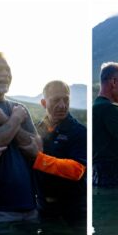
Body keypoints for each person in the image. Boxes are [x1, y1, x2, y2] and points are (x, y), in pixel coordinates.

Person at [30, 80, 86, 223]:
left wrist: (38, 159)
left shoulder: (79, 132)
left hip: (73, 213)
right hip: (42, 210)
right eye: (55, 100)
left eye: (66, 100)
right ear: (43, 103)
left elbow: (77, 170)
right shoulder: (35, 130)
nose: (62, 105)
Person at [0, 52, 38, 222]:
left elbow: (36, 148)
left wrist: (9, 121)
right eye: (0, 69)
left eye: (8, 70)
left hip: (29, 208)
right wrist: (15, 120)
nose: (6, 74)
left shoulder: (19, 109)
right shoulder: (18, 113)